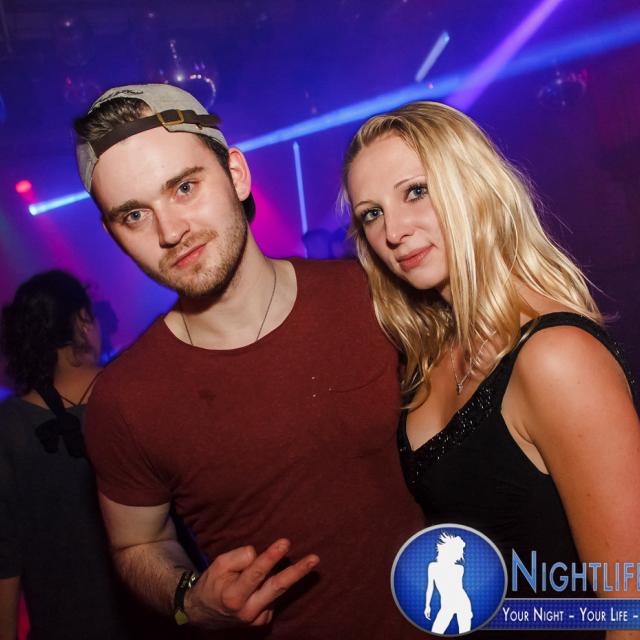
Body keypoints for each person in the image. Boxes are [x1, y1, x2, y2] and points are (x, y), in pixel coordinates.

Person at [72, 84, 425, 639]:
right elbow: (138, 542)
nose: (170, 232)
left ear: (236, 174)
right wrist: (189, 598)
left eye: (184, 187)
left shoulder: (376, 295)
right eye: (134, 215)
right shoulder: (124, 400)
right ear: (114, 234)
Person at [342, 101, 640, 639]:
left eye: (416, 191)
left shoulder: (556, 356)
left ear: (473, 185)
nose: (394, 231)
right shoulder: (431, 354)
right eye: (371, 214)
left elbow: (629, 611)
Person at [0, 270, 133, 640]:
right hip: (157, 619)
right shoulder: (134, 393)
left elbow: (5, 554)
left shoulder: (9, 427)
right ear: (82, 320)